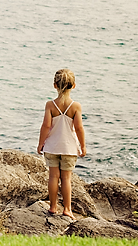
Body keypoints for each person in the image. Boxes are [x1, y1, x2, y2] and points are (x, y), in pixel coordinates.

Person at [37, 68, 86, 219]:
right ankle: (67, 209)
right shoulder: (76, 106)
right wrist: (83, 146)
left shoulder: (50, 105)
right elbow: (78, 128)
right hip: (69, 148)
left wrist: (40, 144)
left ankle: (52, 207)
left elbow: (46, 126)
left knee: (53, 177)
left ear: (54, 85)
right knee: (66, 179)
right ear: (74, 85)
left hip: (52, 147)